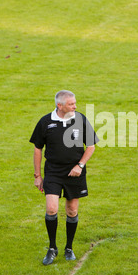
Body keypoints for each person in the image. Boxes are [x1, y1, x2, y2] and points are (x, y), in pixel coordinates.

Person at [30, 90, 99, 264]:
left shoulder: (80, 119)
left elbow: (90, 146)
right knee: (51, 209)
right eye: (71, 104)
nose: (75, 106)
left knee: (72, 210)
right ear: (59, 106)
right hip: (53, 171)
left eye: (75, 103)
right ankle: (52, 248)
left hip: (75, 172)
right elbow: (38, 149)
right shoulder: (46, 122)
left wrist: (80, 166)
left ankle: (69, 248)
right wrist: (38, 175)